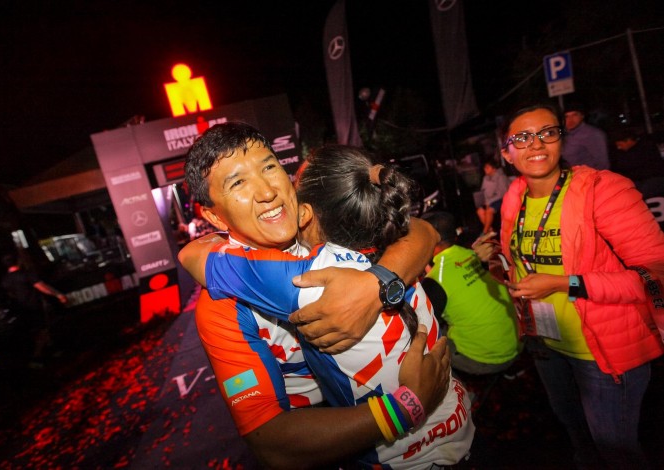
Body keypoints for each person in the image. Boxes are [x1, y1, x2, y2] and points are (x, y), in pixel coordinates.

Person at [181, 145, 474, 468]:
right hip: (442, 431)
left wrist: (376, 285)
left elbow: (424, 231)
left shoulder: (312, 271)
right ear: (212, 215)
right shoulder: (223, 303)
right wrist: (405, 406)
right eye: (238, 182)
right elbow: (271, 441)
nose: (267, 192)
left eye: (269, 168)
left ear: (304, 209)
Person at [497, 103, 664, 469]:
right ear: (506, 152)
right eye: (522, 137)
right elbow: (522, 257)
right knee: (576, 433)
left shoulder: (604, 191)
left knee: (614, 448)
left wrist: (564, 284)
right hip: (546, 342)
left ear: (562, 139)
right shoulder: (514, 196)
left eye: (547, 132)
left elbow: (655, 274)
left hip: (602, 351)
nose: (536, 144)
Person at [421, 211, 520, 376]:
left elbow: (424, 326)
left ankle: (458, 387)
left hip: (486, 359)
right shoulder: (477, 255)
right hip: (516, 343)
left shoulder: (434, 281)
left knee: (427, 337)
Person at [0, 252, 68, 368]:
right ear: (18, 261)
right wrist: (58, 295)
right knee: (42, 330)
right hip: (34, 307)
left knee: (40, 329)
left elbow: (10, 295)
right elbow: (42, 287)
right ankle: (36, 357)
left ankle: (52, 350)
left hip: (22, 309)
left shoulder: (5, 280)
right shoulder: (26, 274)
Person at [611, 126, 664, 199]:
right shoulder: (622, 153)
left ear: (629, 140)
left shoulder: (646, 148)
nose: (619, 147)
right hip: (638, 180)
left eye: (620, 145)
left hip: (652, 180)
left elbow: (648, 169)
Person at [561, 101, 610, 169]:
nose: (570, 119)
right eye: (566, 116)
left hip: (587, 174)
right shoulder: (563, 134)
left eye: (575, 115)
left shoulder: (593, 134)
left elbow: (603, 164)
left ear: (582, 116)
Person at [475, 159, 510, 234]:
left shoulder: (501, 177)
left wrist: (489, 202)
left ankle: (484, 232)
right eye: (485, 167)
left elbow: (503, 193)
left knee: (489, 211)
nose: (485, 169)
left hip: (501, 199)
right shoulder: (485, 178)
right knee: (480, 211)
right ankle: (490, 231)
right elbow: (483, 191)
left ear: (494, 168)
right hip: (489, 201)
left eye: (487, 167)